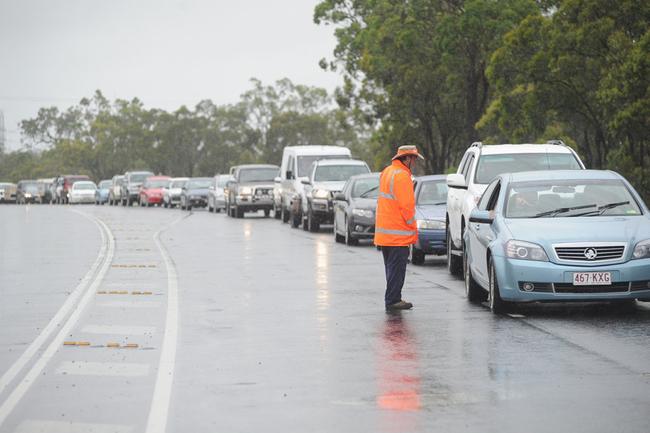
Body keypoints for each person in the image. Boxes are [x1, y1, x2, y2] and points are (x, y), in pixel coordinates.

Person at [374, 145, 424, 311]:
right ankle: (393, 300)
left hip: (385, 234)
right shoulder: (402, 177)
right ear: (407, 158)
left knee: (391, 269)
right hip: (398, 234)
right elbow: (407, 206)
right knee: (397, 269)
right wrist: (412, 226)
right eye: (414, 158)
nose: (415, 162)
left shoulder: (386, 172)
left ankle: (393, 298)